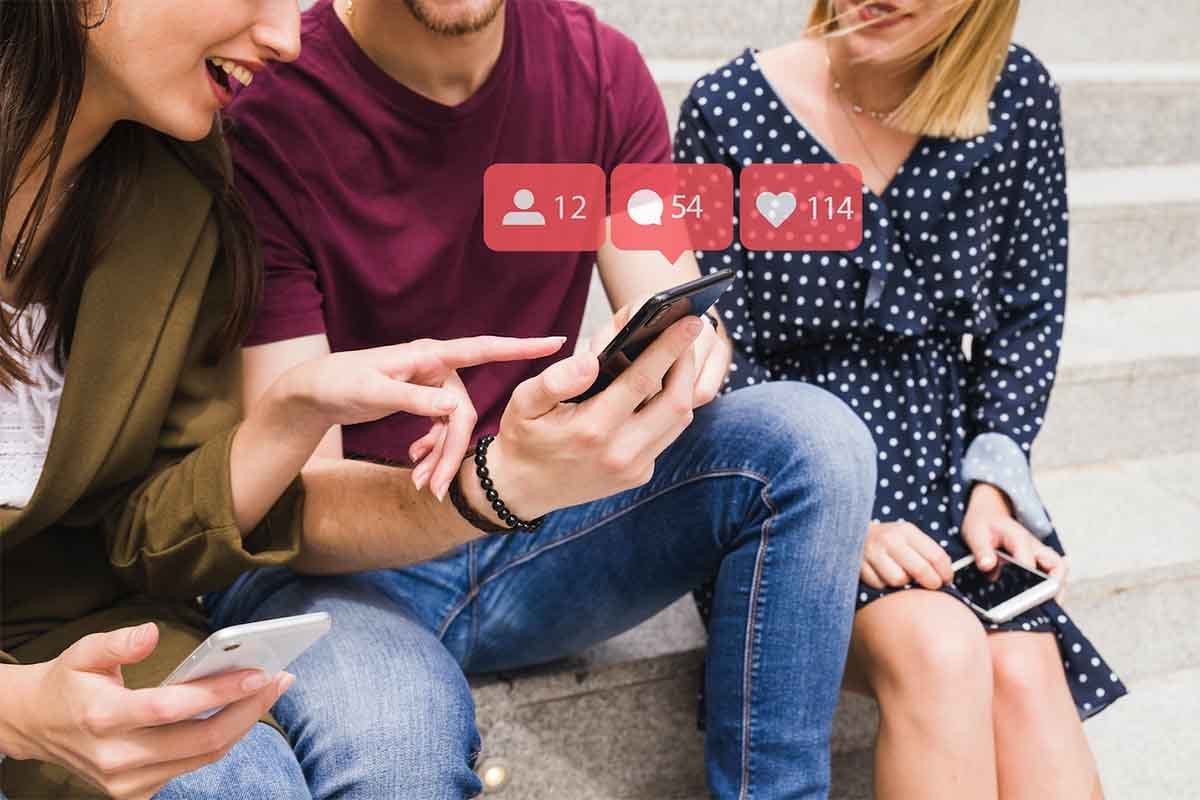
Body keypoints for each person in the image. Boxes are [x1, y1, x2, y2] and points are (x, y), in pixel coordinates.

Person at [202, 0, 879, 797]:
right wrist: (498, 483)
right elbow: (292, 507)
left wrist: (687, 351)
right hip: (345, 570)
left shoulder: (598, 70)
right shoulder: (268, 108)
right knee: (400, 747)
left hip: (537, 530)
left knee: (813, 440)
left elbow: (664, 292)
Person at [0, 1, 568, 797]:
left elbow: (136, 532)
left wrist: (294, 413)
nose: (287, 35)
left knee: (283, 774)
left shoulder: (176, 187)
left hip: (90, 634)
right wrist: (17, 709)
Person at [676, 1, 1126, 798]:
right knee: (941, 649)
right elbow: (708, 352)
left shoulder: (1011, 94)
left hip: (940, 478)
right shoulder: (728, 109)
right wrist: (836, 518)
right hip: (785, 481)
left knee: (1025, 673)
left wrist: (994, 483)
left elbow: (1027, 313)